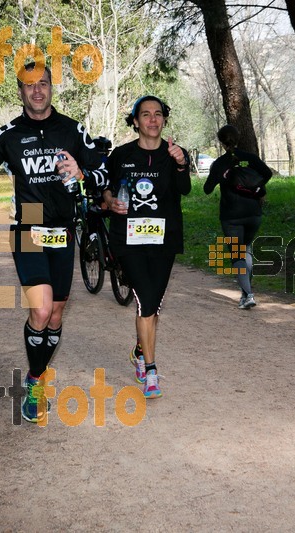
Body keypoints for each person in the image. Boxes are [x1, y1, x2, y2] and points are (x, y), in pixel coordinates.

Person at [0, 62, 103, 423]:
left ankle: (37, 375)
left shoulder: (73, 130)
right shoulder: (8, 134)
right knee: (41, 310)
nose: (37, 90)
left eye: (43, 83)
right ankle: (34, 383)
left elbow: (103, 172)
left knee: (56, 314)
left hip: (63, 230)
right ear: (20, 91)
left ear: (51, 87)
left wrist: (83, 172)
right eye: (29, 85)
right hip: (27, 228)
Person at [101, 96, 191, 398]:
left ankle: (140, 350)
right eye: (145, 114)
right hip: (129, 240)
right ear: (136, 121)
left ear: (164, 120)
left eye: (158, 114)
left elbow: (185, 190)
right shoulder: (121, 155)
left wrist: (180, 165)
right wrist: (110, 201)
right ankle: (150, 371)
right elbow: (104, 187)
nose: (152, 120)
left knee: (152, 303)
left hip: (164, 240)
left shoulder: (175, 153)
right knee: (146, 301)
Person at [203, 124, 273, 309]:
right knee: (245, 249)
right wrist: (256, 186)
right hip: (253, 214)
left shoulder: (219, 164)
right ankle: (245, 293)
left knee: (237, 254)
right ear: (238, 138)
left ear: (221, 142)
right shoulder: (250, 158)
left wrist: (221, 177)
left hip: (231, 216)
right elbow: (267, 173)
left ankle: (248, 294)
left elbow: (207, 189)